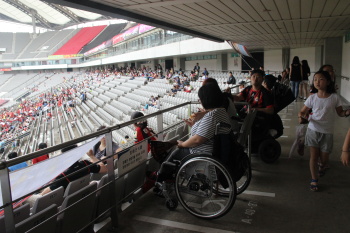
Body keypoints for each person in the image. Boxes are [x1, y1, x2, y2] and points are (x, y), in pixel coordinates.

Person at [298, 71, 350, 192]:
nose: (317, 82)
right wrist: (302, 116)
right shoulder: (312, 97)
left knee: (324, 158)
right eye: (315, 79)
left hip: (327, 132)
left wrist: (347, 112)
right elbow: (302, 111)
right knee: (313, 157)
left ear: (327, 82)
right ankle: (314, 179)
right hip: (313, 130)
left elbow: (340, 113)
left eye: (321, 79)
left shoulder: (334, 98)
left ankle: (323, 166)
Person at [40, 144, 107, 195]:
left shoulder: (63, 176)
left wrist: (40, 194)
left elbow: (44, 195)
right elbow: (104, 169)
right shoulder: (86, 164)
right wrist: (92, 156)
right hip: (84, 195)